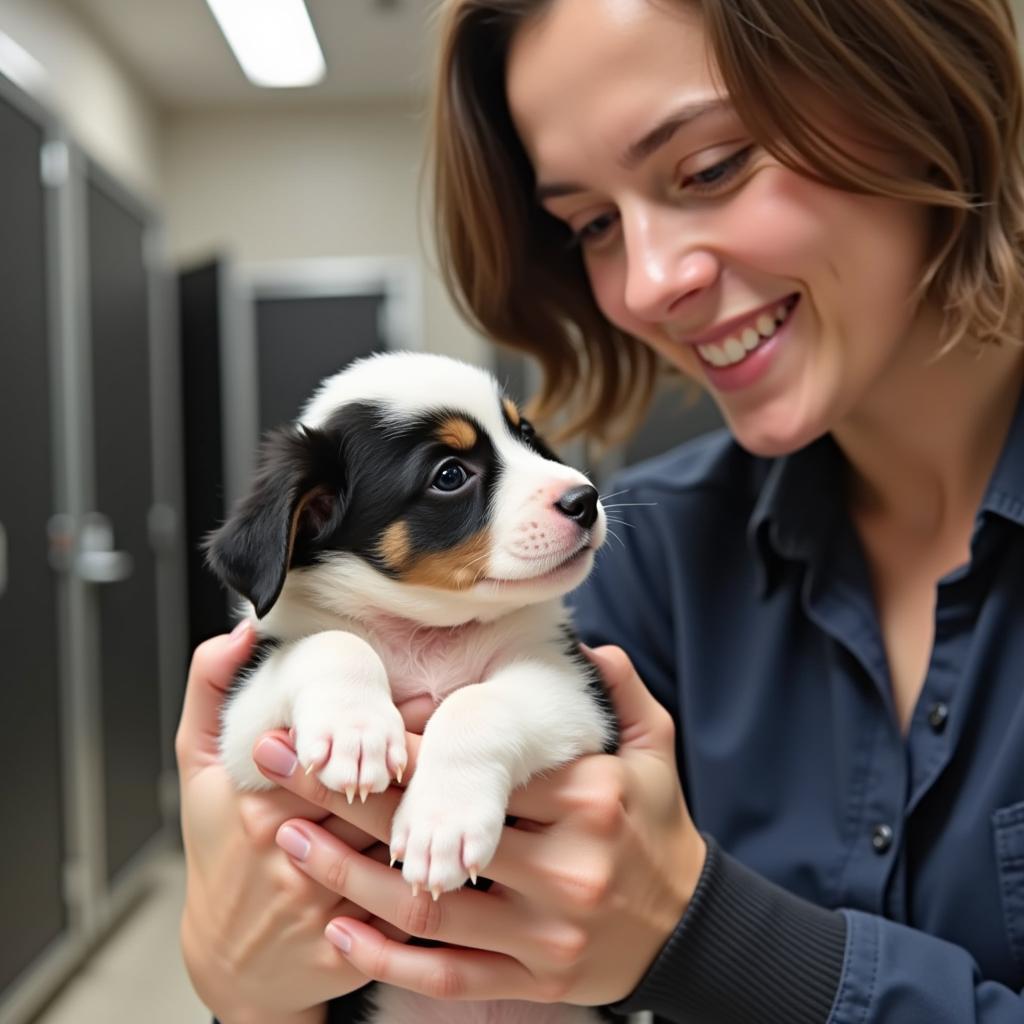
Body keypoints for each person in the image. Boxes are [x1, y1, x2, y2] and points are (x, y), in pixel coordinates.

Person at [176, 0, 1024, 1020]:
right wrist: (258, 991)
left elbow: (645, 920)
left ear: (911, 88)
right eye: (591, 225)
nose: (649, 284)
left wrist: (704, 931)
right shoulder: (648, 556)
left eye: (710, 166)